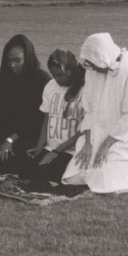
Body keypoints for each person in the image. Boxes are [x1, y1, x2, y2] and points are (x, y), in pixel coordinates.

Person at [61, 33, 128, 193]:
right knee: (72, 178)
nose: (95, 69)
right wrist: (88, 142)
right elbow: (88, 109)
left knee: (105, 182)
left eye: (97, 65)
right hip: (95, 136)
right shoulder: (92, 70)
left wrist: (106, 145)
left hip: (125, 139)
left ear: (104, 57)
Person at [0, 34, 51, 172]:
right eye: (9, 61)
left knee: (11, 163)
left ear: (28, 58)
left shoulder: (42, 79)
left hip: (30, 134)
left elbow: (36, 118)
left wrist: (11, 140)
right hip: (8, 132)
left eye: (17, 60)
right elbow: (1, 110)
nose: (12, 65)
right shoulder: (6, 77)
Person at [20, 49, 86, 182]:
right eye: (54, 75)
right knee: (23, 168)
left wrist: (57, 152)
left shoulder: (85, 90)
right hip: (51, 147)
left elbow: (83, 130)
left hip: (71, 150)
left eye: (60, 75)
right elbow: (47, 118)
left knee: (44, 173)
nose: (57, 79)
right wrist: (40, 146)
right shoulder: (50, 86)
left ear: (72, 70)